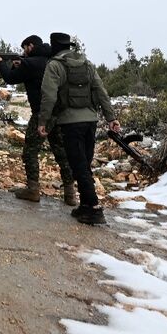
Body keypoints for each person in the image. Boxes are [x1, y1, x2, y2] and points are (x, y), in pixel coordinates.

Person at [37, 32, 119, 225]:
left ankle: (94, 208)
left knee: (78, 165)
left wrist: (43, 122)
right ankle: (85, 206)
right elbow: (100, 91)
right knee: (84, 164)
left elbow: (49, 96)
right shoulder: (87, 64)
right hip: (90, 121)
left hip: (69, 122)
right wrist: (111, 118)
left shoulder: (54, 65)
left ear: (54, 46)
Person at [0, 35, 77, 205]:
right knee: (61, 153)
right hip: (58, 113)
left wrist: (1, 63)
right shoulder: (51, 60)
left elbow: (10, 78)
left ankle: (33, 190)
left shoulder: (31, 63)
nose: (24, 52)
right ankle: (70, 194)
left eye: (25, 48)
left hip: (42, 114)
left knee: (30, 151)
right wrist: (19, 65)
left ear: (30, 46)